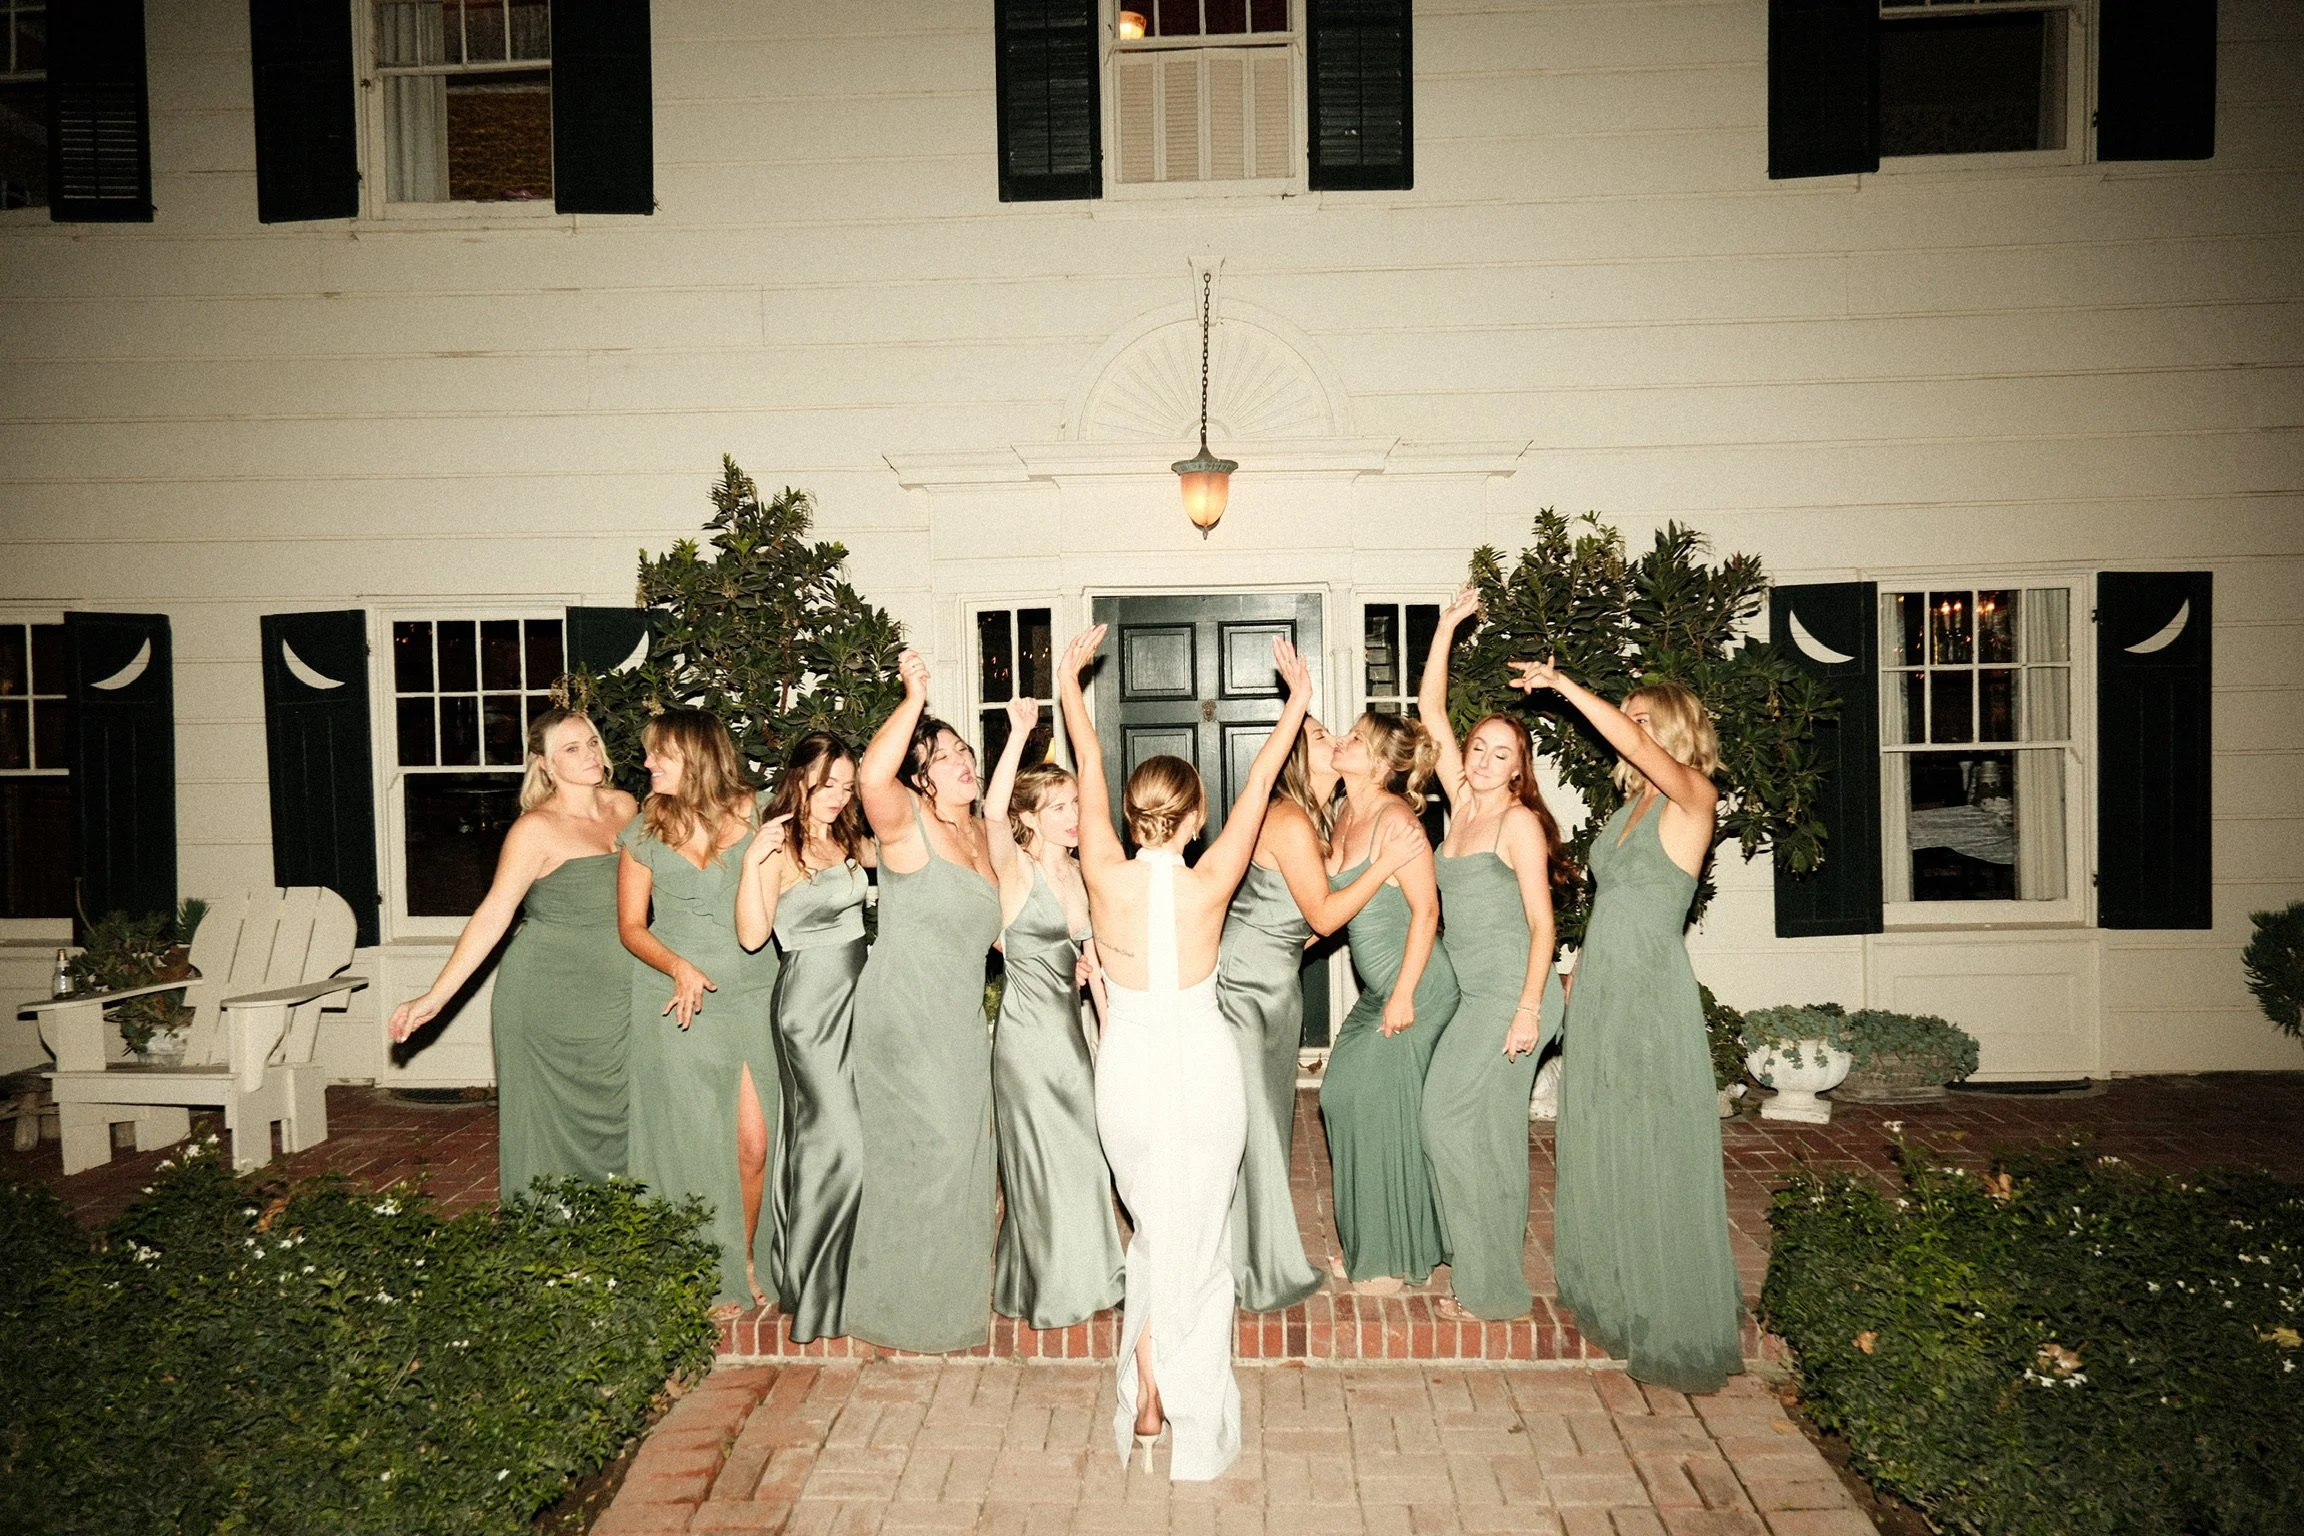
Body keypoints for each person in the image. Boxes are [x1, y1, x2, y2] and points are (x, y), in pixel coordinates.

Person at [1056, 623, 1310, 1483]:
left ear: (1131, 817)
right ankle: (1181, 1412)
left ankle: (1147, 1398)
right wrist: (1296, 704)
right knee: (1194, 1248)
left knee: (1154, 1238)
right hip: (1202, 1080)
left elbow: (1087, 765)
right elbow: (1266, 782)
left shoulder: (1101, 869)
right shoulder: (1210, 880)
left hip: (1128, 1081)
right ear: (1194, 818)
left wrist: (1070, 684)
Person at [1509, 657, 1744, 1393]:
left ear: (1674, 731)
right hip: (1607, 982)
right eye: (1629, 717)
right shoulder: (1633, 808)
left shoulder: (1693, 796)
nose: (1631, 732)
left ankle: (1670, 1309)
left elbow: (1642, 754)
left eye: (1645, 720)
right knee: (1606, 1132)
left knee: (1652, 1141)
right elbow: (1623, 901)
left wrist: (1566, 689)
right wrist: (1578, 971)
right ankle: (1616, 1290)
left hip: (1648, 992)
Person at [388, 708, 637, 1199]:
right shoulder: (535, 829)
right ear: (543, 764)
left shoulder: (627, 808)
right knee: (549, 1125)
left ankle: (622, 1238)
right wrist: (435, 997)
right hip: (546, 995)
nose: (588, 753)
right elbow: (494, 913)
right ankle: (549, 1242)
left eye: (590, 741)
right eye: (571, 748)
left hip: (620, 989)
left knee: (625, 1108)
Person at [1217, 717, 1421, 1312]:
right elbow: (1328, 917)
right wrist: (1385, 865)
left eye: (1340, 733)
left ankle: (1254, 1251)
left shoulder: (1321, 822)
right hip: (1246, 984)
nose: (1336, 738)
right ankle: (1254, 1266)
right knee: (1250, 1122)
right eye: (1323, 735)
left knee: (1270, 1119)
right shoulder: (1285, 817)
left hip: (1276, 977)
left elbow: (1303, 924)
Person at [1415, 586, 1571, 1321]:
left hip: (1516, 994)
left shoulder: (1517, 825)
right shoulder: (1461, 801)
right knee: (1477, 1131)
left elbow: (1545, 927)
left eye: (1499, 754)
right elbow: (1431, 713)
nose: (1480, 759)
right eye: (1479, 749)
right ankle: (1481, 1270)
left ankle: (1488, 1287)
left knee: (1454, 1121)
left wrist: (1529, 1011)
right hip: (1482, 994)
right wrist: (1446, 627)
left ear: (1519, 769)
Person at [844, 652, 1005, 1354]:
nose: (963, 760)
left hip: (959, 1019)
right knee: (926, 1151)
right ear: (920, 775)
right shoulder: (906, 828)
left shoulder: (979, 835)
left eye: (966, 750)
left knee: (966, 1152)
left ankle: (950, 1303)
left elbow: (998, 932)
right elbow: (867, 776)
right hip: (904, 1018)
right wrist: (913, 698)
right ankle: (899, 1312)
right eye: (944, 756)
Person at [615, 708, 779, 1314]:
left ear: (699, 758)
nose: (648, 763)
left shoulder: (756, 811)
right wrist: (677, 964)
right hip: (674, 996)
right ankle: (707, 1265)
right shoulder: (643, 832)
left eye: (662, 754)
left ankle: (746, 1252)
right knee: (690, 1139)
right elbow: (632, 927)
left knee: (754, 1142)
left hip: (753, 996)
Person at [982, 696, 1125, 1330]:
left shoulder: (1076, 872)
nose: (1073, 817)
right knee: (1041, 1158)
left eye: (1075, 805)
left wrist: (1115, 1030)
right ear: (1030, 819)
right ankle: (1053, 1287)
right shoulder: (1016, 873)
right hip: (1026, 1040)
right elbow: (990, 812)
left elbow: (1092, 958)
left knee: (1087, 1151)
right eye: (1059, 809)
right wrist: (1017, 734)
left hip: (1072, 1034)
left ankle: (1091, 1272)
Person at [736, 731, 873, 1345]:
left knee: (858, 1134)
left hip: (859, 999)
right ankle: (820, 1291)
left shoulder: (843, 837)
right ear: (800, 778)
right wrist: (749, 862)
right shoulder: (775, 844)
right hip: (808, 1009)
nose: (838, 796)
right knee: (836, 1139)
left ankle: (844, 1273)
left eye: (847, 787)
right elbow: (749, 934)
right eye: (828, 785)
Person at [1319, 711, 1459, 1292]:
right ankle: (1385, 1245)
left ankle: (1388, 1261)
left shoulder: (1397, 819)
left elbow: (1427, 911)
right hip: (1381, 988)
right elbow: (1329, 896)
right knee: (1344, 1096)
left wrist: (1403, 995)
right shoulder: (1346, 812)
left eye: (1354, 738)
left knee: (1372, 1104)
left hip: (1417, 986)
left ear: (1379, 762)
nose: (1342, 740)